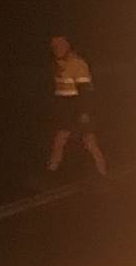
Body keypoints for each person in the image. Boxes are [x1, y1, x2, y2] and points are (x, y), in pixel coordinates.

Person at [46, 34, 108, 178]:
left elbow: (85, 90)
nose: (56, 48)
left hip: (78, 107)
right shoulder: (57, 64)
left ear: (67, 46)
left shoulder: (78, 64)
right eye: (54, 46)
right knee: (60, 139)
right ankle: (51, 170)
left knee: (89, 141)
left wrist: (84, 112)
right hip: (66, 108)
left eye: (60, 45)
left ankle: (103, 171)